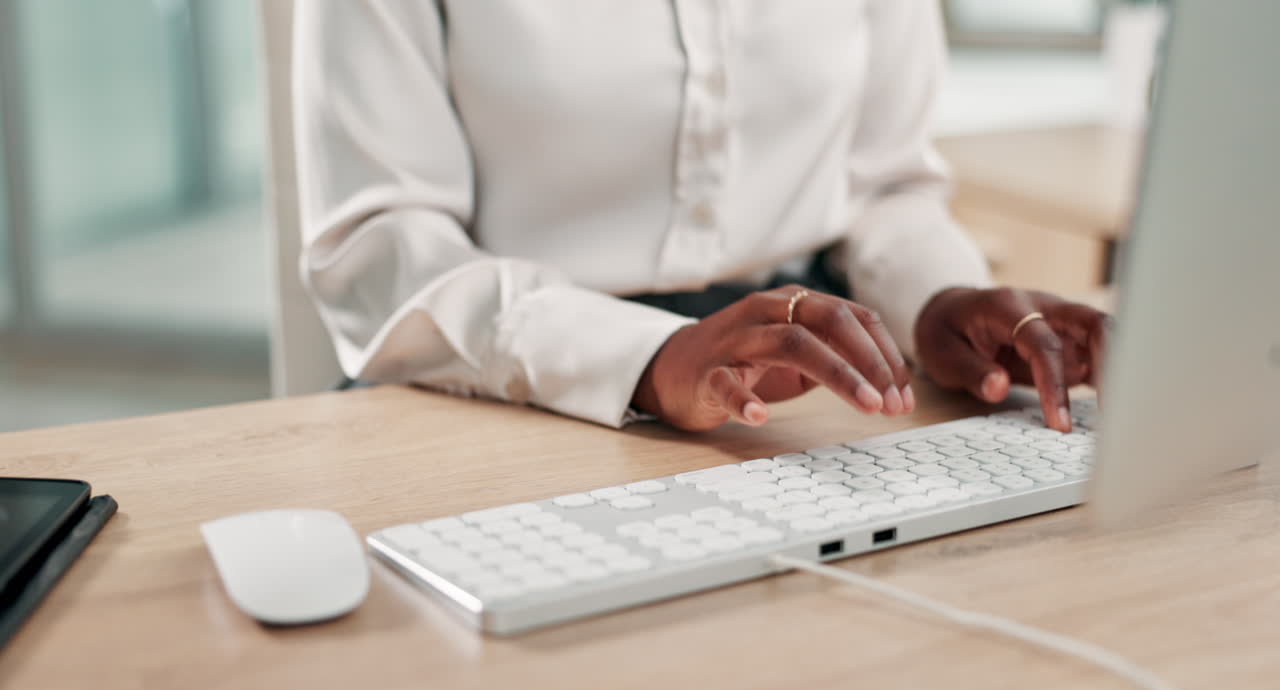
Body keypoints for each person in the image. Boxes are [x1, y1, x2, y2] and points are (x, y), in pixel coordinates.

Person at [293, 1, 1107, 434]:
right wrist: (649, 358)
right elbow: (379, 248)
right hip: (486, 387)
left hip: (799, 385)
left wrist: (938, 300)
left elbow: (885, 186)